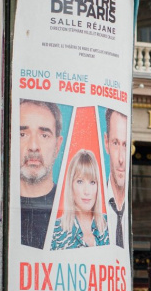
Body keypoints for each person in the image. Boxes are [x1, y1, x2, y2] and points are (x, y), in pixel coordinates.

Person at [19, 100, 62, 249]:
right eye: (22, 134)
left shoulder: (72, 206)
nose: (33, 147)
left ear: (57, 145)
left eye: (44, 135)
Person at [51, 150, 109, 249]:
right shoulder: (55, 231)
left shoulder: (110, 226)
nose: (87, 191)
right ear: (71, 185)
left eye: (92, 182)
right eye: (80, 181)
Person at [103, 109, 128, 248]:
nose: (121, 159)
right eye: (116, 143)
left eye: (125, 145)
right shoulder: (92, 202)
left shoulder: (131, 211)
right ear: (106, 143)